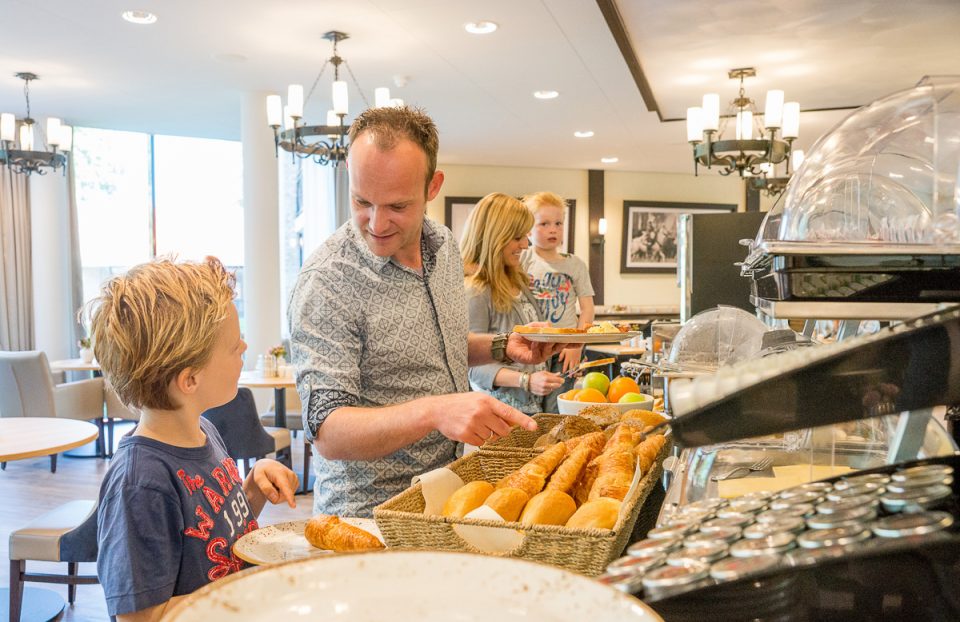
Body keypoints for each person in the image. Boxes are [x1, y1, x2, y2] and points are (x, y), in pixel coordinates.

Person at [289, 106, 565, 517]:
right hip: (369, 513)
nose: (377, 223)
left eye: (397, 206)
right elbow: (328, 430)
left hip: (447, 490)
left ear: (433, 186)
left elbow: (439, 348)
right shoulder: (327, 281)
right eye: (362, 201)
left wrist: (506, 346)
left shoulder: (444, 245)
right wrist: (435, 410)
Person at [88, 257, 299, 621]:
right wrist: (245, 593)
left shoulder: (203, 432)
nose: (245, 347)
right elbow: (140, 617)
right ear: (189, 380)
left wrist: (253, 487)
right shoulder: (141, 485)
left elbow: (219, 532)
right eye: (234, 347)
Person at [462, 192, 565, 414]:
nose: (525, 245)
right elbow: (470, 365)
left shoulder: (517, 280)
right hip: (499, 413)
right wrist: (526, 380)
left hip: (532, 410)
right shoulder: (475, 290)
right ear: (495, 237)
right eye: (517, 237)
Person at [521, 191, 595, 411]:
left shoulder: (575, 265)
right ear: (528, 230)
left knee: (558, 410)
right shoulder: (522, 260)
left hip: (565, 348)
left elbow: (587, 309)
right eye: (543, 224)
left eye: (558, 223)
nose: (552, 229)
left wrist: (576, 345)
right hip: (530, 345)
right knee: (529, 410)